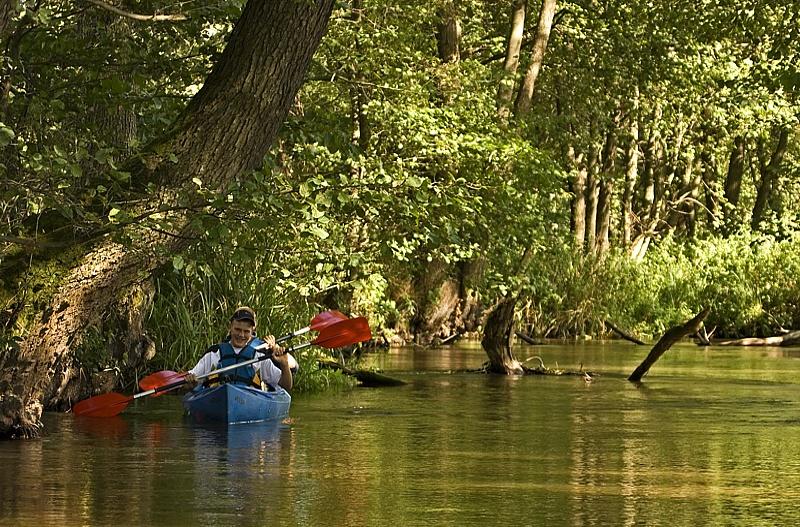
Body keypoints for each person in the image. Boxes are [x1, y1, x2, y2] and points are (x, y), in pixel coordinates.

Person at [183, 306, 294, 392]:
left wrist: (284, 365)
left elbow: (286, 386)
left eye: (246, 331)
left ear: (252, 332)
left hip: (250, 400)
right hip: (217, 399)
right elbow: (191, 380)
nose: (241, 335)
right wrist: (190, 383)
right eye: (237, 329)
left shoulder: (259, 357)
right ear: (230, 327)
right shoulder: (214, 353)